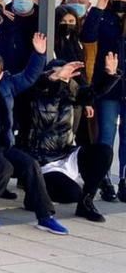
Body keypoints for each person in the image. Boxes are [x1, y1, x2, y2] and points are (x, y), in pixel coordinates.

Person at [0, 27, 62, 234]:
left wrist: (39, 55)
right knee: (3, 167)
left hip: (3, 143)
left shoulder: (7, 84)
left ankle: (45, 215)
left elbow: (29, 77)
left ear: (1, 72)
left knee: (30, 164)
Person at [25, 56, 119, 223]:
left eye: (68, 74)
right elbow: (44, 86)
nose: (65, 77)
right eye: (61, 73)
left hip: (67, 154)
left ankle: (86, 203)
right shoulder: (37, 93)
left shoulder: (71, 93)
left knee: (103, 151)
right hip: (44, 162)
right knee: (71, 194)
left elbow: (93, 92)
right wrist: (55, 77)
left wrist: (110, 75)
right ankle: (35, 195)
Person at [80, 0, 126, 202]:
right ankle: (104, 179)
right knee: (106, 135)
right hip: (108, 87)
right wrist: (98, 8)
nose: (120, 2)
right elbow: (87, 35)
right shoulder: (104, 18)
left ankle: (124, 180)